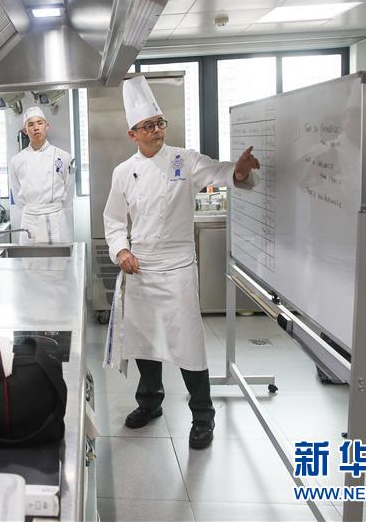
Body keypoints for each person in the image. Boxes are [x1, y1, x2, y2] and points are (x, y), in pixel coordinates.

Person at [103, 76, 260, 450]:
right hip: (140, 267)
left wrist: (238, 171)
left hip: (177, 268)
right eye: (148, 126)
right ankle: (150, 403)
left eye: (160, 123)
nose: (156, 130)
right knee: (144, 340)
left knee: (188, 343)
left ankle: (203, 416)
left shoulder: (184, 160)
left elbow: (222, 172)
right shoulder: (123, 172)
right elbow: (113, 220)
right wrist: (121, 251)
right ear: (133, 134)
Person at [9, 106, 75, 244]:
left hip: (55, 217)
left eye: (40, 123)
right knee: (29, 257)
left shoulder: (64, 157)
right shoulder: (16, 161)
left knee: (59, 257)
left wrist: (55, 208)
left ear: (47, 126)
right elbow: (16, 193)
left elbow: (69, 191)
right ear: (25, 131)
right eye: (30, 124)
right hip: (30, 219)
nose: (36, 128)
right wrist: (32, 208)